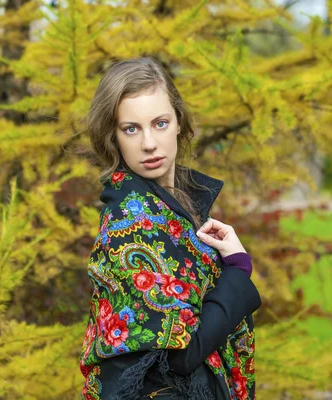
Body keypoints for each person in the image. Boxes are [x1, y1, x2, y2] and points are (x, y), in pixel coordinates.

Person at [79, 57, 262, 400]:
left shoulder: (176, 208)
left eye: (160, 123)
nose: (149, 143)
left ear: (179, 122)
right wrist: (237, 270)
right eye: (131, 128)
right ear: (113, 137)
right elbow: (182, 354)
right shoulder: (133, 222)